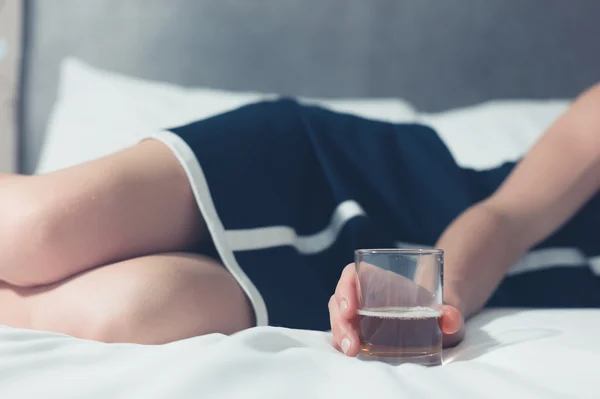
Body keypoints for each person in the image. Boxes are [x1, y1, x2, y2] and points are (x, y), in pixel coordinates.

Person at [0, 83, 598, 352]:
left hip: (355, 301)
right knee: (38, 231)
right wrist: (423, 296)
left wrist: (404, 303)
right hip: (355, 181)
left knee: (136, 312)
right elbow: (506, 217)